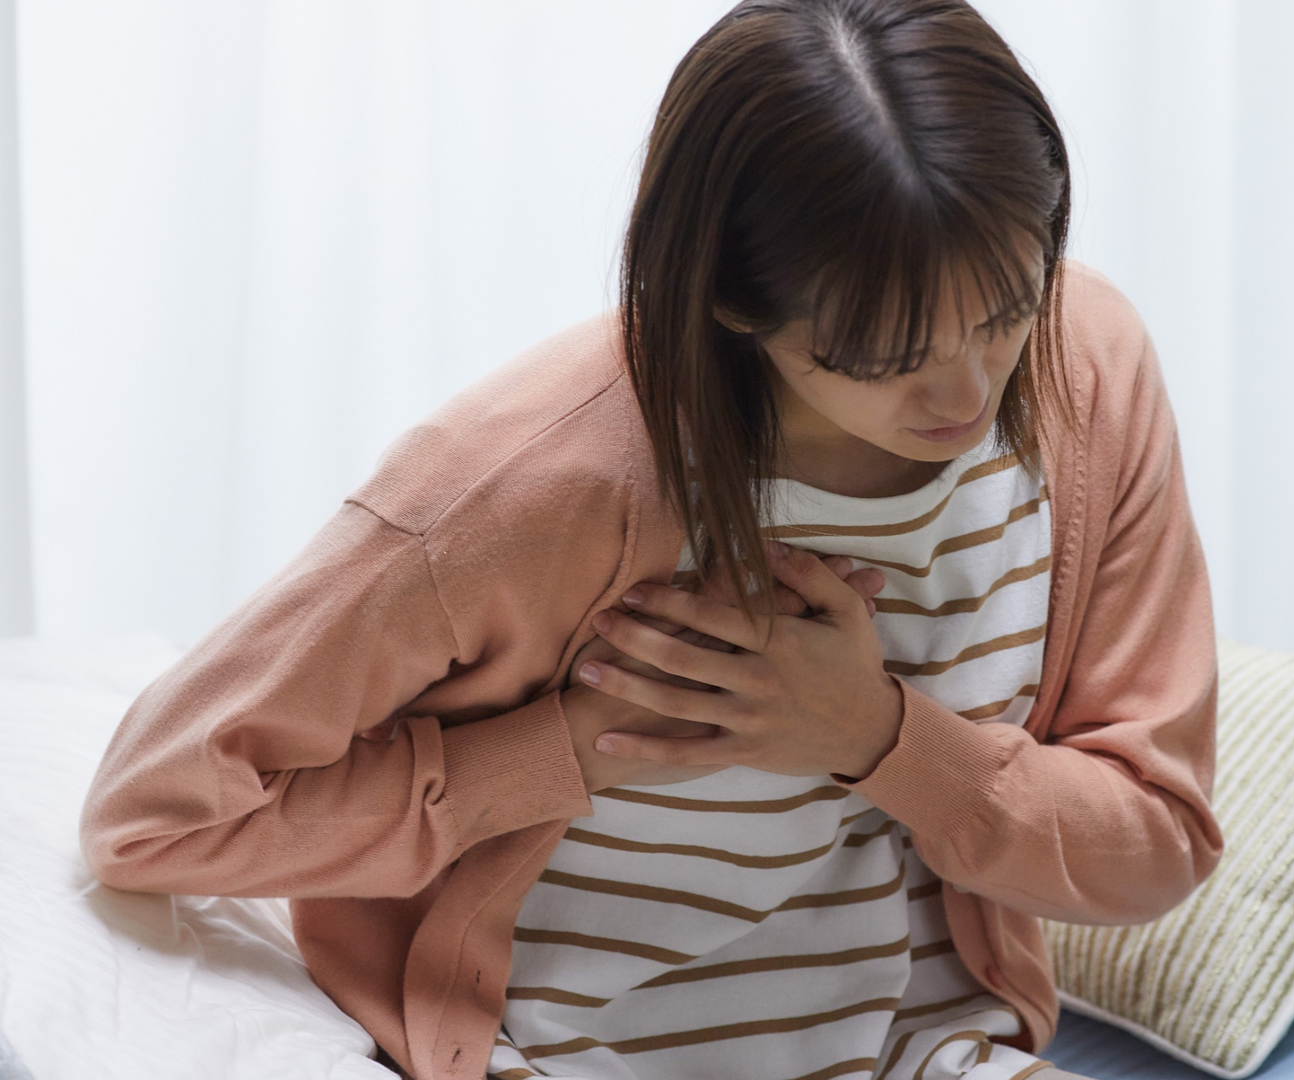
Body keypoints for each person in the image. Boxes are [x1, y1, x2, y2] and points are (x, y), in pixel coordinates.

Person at [78, 1, 1221, 1078]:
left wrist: (875, 735)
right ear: (729, 297)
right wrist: (559, 752)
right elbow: (153, 816)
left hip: (931, 1053)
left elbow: (1159, 846)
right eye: (885, 356)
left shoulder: (1087, 369)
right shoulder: (525, 481)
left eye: (1008, 310)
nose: (967, 394)